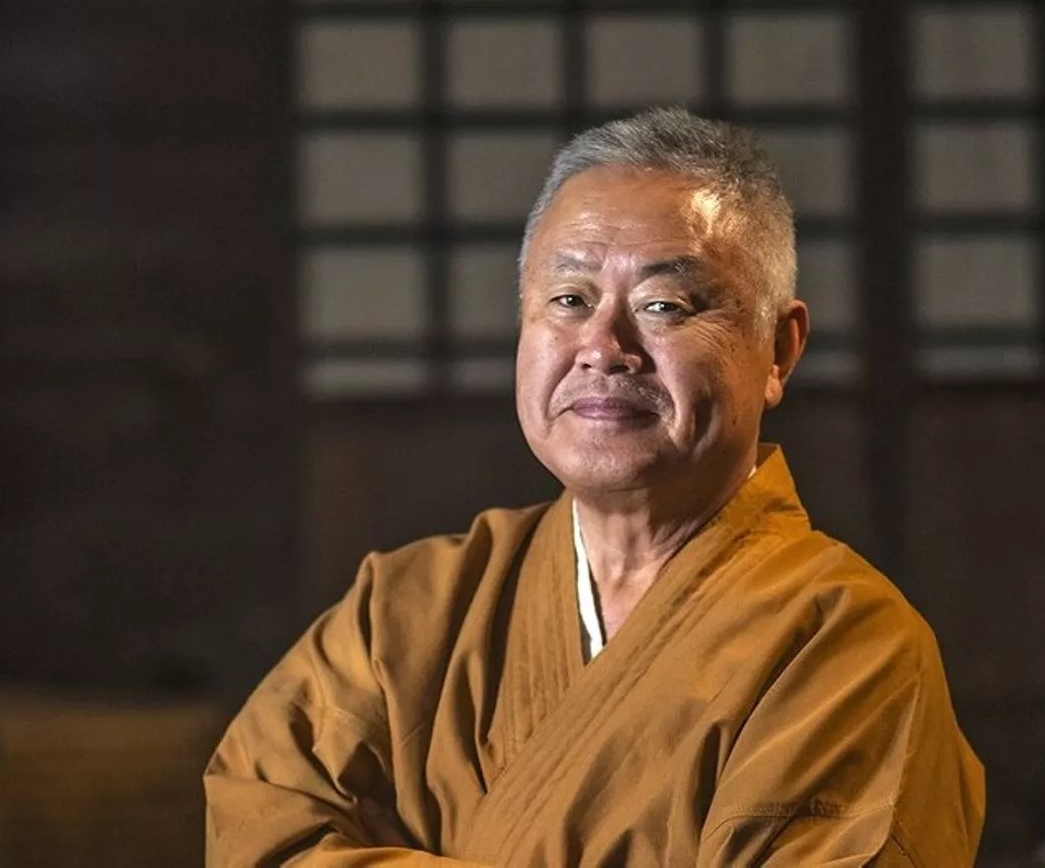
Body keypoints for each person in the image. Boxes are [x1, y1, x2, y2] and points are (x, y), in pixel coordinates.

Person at [204, 108, 985, 866]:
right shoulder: (407, 613)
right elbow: (259, 828)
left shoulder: (843, 645)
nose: (604, 348)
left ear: (777, 350)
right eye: (570, 300)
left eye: (664, 306)